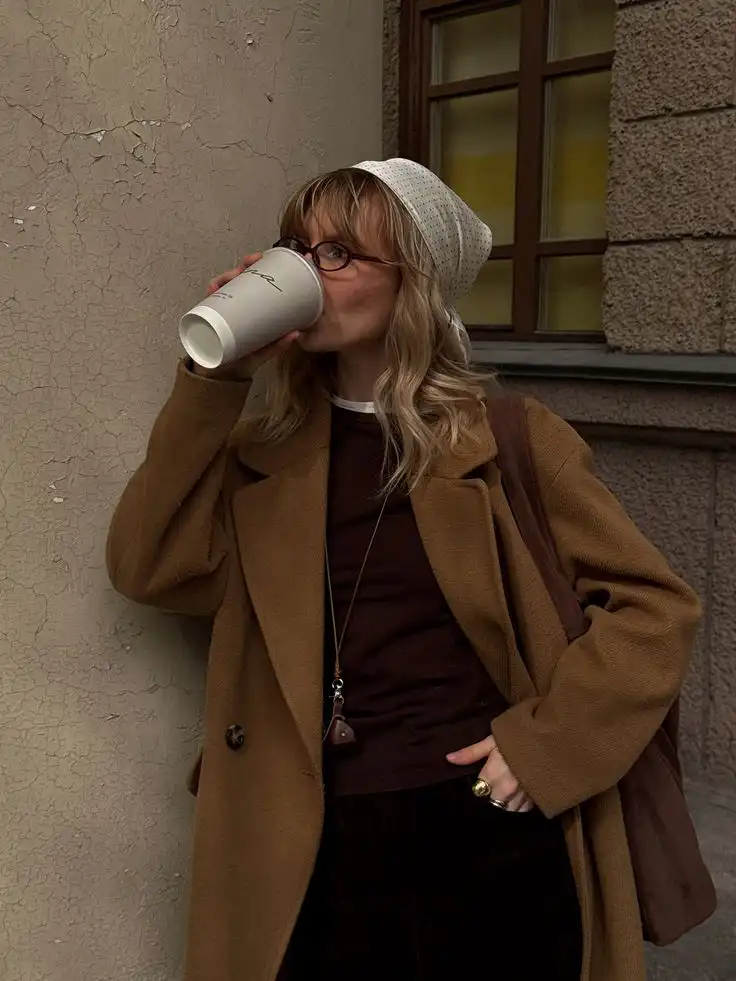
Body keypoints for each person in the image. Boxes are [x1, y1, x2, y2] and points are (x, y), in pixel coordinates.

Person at [106, 158, 701, 981]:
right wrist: (217, 378)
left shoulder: (512, 438)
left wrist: (544, 749)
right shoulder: (264, 452)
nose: (305, 269)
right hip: (312, 840)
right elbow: (149, 567)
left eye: (338, 253)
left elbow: (656, 608)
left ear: (412, 284)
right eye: (296, 247)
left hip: (485, 829)